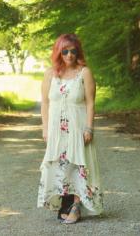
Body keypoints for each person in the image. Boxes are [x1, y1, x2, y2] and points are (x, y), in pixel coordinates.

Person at [37, 33, 103, 224]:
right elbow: (45, 104)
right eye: (64, 51)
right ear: (58, 52)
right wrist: (45, 129)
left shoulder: (85, 73)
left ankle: (76, 205)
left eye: (73, 51)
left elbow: (90, 103)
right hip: (57, 130)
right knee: (60, 166)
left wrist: (89, 128)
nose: (69, 55)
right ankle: (65, 204)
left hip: (78, 127)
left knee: (80, 166)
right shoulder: (50, 74)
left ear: (78, 52)